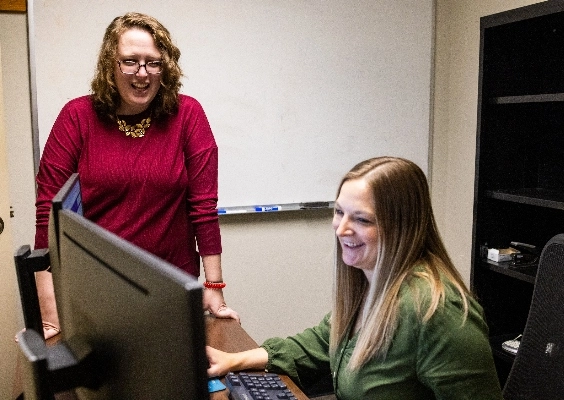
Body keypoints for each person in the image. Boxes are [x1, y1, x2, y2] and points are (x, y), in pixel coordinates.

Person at [207, 156, 503, 399]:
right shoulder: (368, 281)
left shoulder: (437, 311)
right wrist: (235, 359)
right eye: (339, 212)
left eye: (361, 219)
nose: (342, 229)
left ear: (402, 226)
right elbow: (324, 341)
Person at [33, 12, 239, 339]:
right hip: (98, 295)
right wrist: (49, 313)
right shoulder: (76, 117)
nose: (142, 73)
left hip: (171, 288)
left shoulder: (188, 115)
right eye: (130, 61)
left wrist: (213, 286)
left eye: (153, 63)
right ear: (110, 66)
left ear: (165, 68)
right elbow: (48, 213)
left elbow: (203, 207)